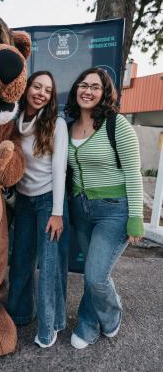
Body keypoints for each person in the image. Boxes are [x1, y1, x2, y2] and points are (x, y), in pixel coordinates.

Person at [64, 68, 144, 349]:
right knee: (90, 271)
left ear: (105, 93)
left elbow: (133, 172)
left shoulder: (116, 124)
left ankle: (111, 316)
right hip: (80, 209)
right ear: (76, 89)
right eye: (83, 84)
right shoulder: (68, 124)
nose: (88, 90)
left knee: (97, 276)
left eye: (95, 87)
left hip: (114, 210)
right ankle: (87, 325)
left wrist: (136, 217)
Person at [7, 71, 69, 348]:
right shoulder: (14, 120)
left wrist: (57, 212)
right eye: (36, 86)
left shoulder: (56, 124)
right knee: (20, 261)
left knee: (49, 265)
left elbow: (59, 171)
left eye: (47, 89)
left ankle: (51, 325)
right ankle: (19, 314)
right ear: (27, 88)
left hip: (48, 201)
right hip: (23, 200)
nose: (41, 93)